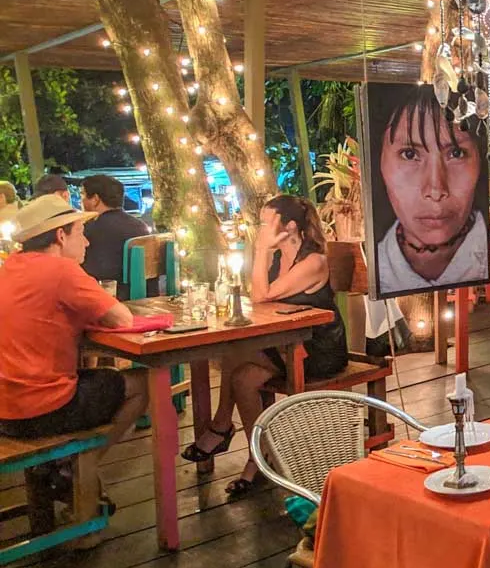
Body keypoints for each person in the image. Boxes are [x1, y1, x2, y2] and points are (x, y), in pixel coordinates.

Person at [182, 195, 348, 496]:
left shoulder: (313, 261)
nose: (259, 229)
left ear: (291, 227)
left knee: (235, 349)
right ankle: (259, 455)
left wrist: (260, 251)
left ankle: (221, 427)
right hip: (284, 345)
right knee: (241, 379)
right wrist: (265, 255)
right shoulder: (276, 259)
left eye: (264, 223)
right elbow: (258, 296)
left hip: (318, 349)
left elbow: (259, 296)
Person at [0, 195, 146, 511]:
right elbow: (122, 318)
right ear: (60, 235)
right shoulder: (61, 270)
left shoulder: (8, 267)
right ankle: (78, 469)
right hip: (42, 410)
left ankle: (65, 468)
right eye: (81, 232)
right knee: (142, 384)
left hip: (4, 410)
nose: (88, 242)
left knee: (95, 379)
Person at [374, 92, 490, 294]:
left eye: (456, 153)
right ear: (379, 164)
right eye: (409, 154)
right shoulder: (375, 267)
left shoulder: (488, 253)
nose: (436, 191)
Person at [79, 175, 150, 300]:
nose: (81, 201)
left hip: (112, 300)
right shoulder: (140, 226)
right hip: (146, 295)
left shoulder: (89, 230)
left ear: (95, 199)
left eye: (83, 195)